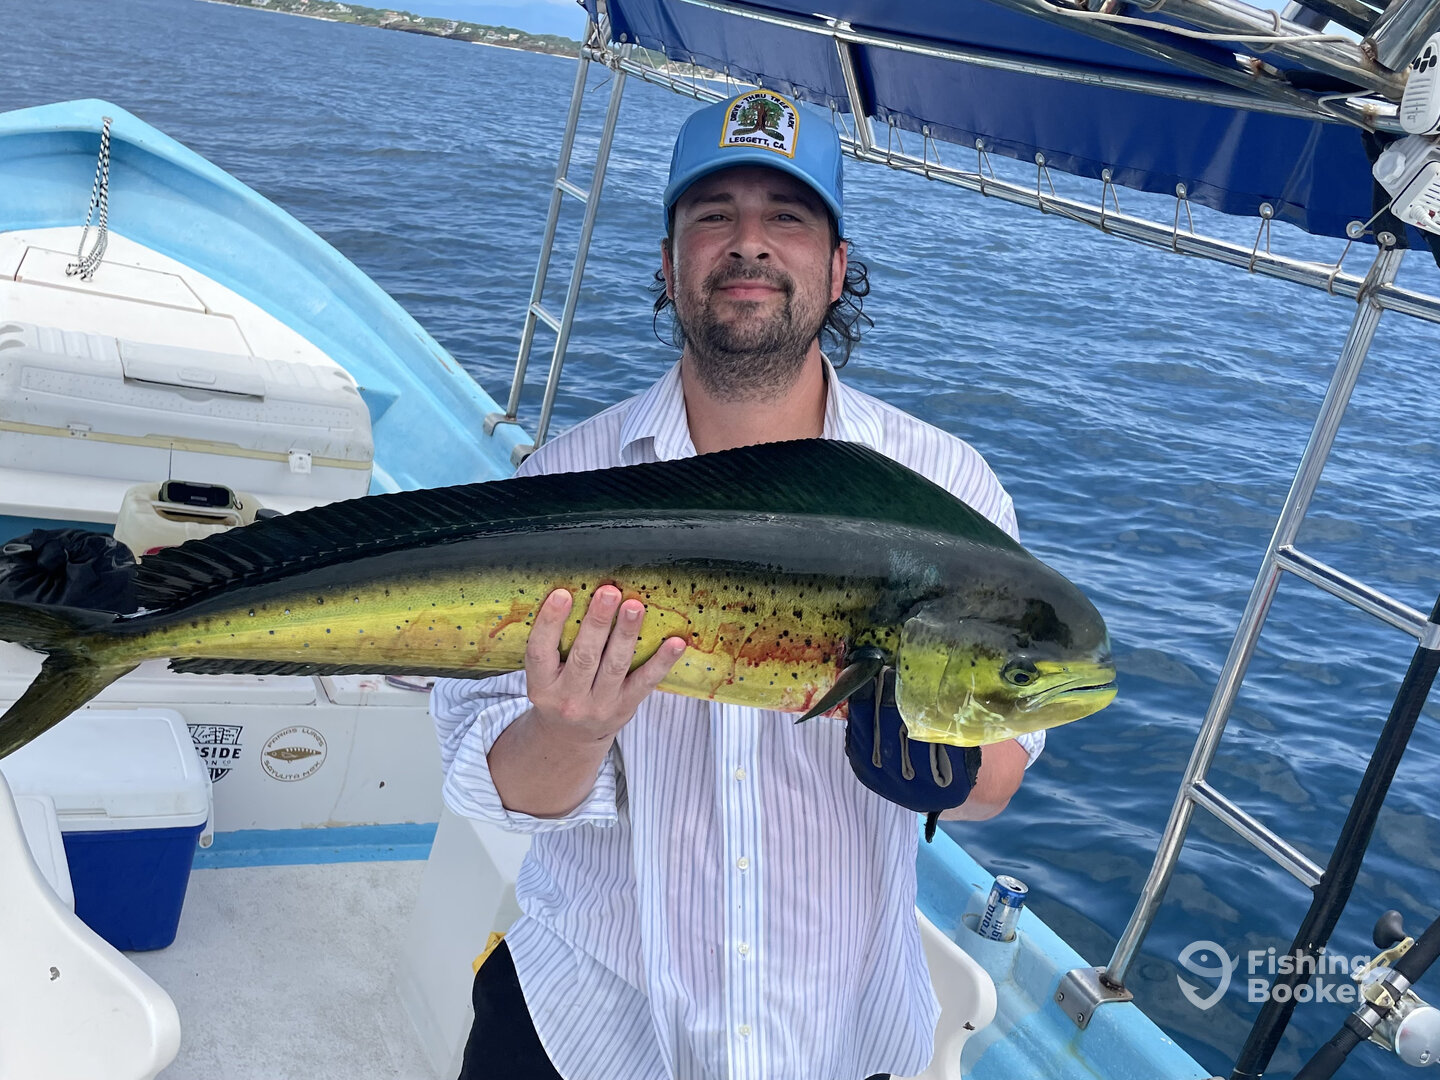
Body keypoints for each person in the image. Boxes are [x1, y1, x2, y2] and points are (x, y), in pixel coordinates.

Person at [431, 89, 1042, 1080]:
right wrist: (569, 733)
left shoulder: (946, 487)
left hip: (840, 1036)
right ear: (670, 266)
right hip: (585, 1020)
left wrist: (948, 769)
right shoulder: (561, 484)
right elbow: (494, 788)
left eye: (786, 217)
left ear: (836, 268)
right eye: (714, 215)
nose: (749, 242)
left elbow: (1003, 767)